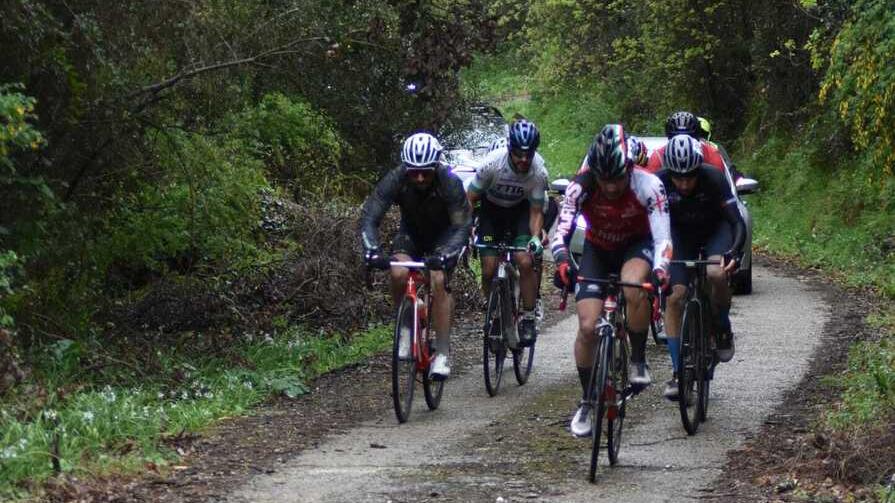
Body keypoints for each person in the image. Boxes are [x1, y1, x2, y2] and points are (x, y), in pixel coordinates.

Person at [551, 124, 672, 437]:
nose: (611, 187)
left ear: (629, 168)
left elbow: (662, 239)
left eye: (617, 178)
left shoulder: (649, 185)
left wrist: (660, 270)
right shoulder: (581, 185)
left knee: (633, 286)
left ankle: (639, 360)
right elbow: (560, 232)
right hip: (598, 248)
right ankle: (587, 401)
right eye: (604, 179)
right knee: (588, 326)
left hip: (636, 246)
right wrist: (563, 261)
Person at [360, 132, 472, 380]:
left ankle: (442, 352)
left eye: (426, 172)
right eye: (414, 172)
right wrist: (372, 249)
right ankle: (406, 328)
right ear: (406, 168)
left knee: (438, 280)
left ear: (435, 167)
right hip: (411, 233)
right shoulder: (397, 178)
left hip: (445, 236)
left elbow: (462, 226)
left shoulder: (449, 181)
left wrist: (448, 254)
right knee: (398, 272)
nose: (420, 177)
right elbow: (370, 216)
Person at [655, 135, 746, 400]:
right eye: (678, 178)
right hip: (679, 235)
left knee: (715, 273)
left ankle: (721, 325)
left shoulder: (713, 178)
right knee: (674, 297)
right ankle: (678, 371)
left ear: (698, 170)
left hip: (714, 231)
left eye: (690, 177)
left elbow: (736, 221)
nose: (683, 184)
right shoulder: (659, 182)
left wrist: (734, 252)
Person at [468, 119, 549, 346]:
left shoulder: (539, 171)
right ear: (509, 148)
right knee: (488, 268)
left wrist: (534, 236)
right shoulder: (492, 164)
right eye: (518, 154)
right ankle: (494, 314)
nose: (523, 160)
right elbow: (470, 199)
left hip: (520, 216)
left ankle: (528, 317)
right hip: (492, 216)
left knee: (524, 260)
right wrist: (464, 229)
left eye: (528, 154)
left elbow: (535, 212)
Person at [645, 111, 726, 173]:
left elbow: (721, 184)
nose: (683, 143)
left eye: (689, 138)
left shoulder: (712, 155)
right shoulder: (658, 157)